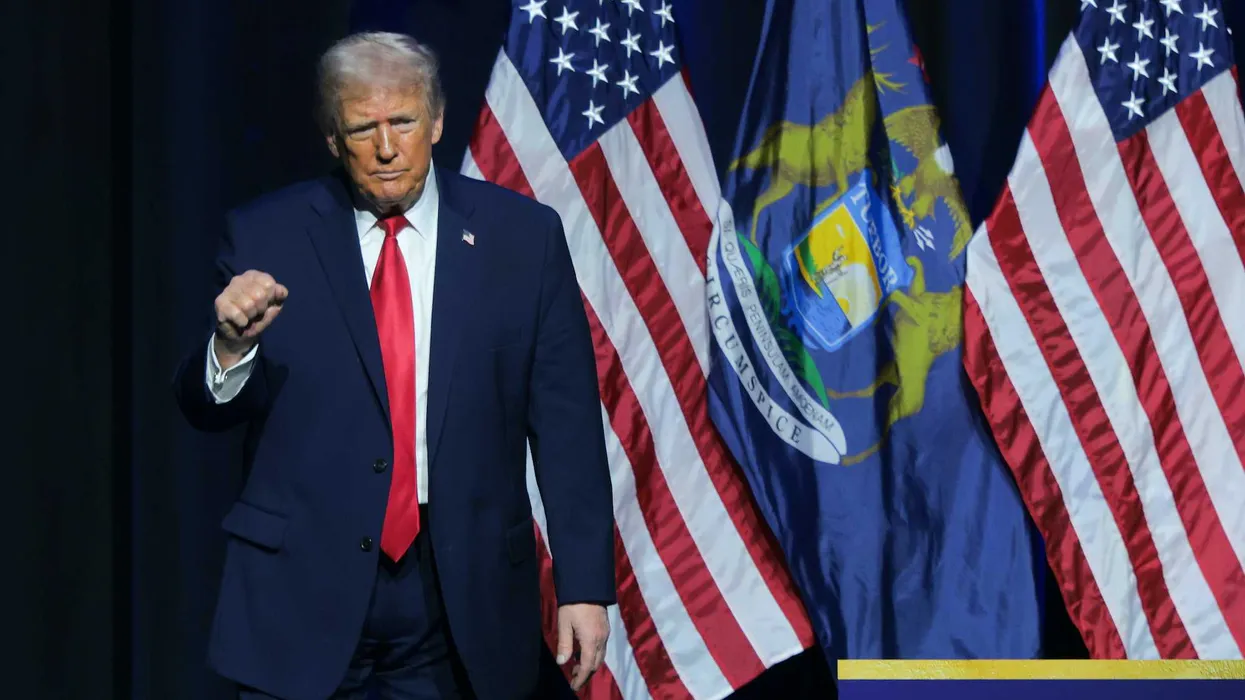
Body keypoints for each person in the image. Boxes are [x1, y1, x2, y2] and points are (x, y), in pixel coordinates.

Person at [173, 31, 615, 700]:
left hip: (457, 595)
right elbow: (204, 411)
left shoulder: (522, 239)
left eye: (403, 122)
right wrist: (230, 348)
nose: (386, 148)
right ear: (332, 138)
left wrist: (583, 585)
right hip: (300, 593)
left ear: (436, 121)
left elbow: (567, 424)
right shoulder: (267, 234)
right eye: (362, 128)